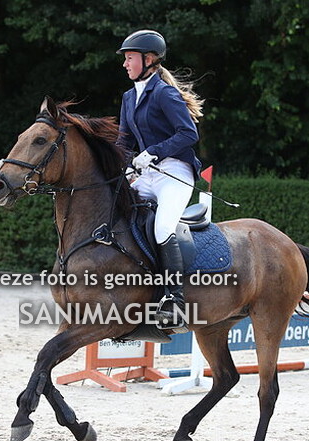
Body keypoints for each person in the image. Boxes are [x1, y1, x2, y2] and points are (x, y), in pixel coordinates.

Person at [116, 29, 204, 329]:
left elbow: (189, 134)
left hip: (175, 173)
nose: (125, 64)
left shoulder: (165, 94)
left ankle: (174, 299)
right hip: (146, 173)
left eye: (130, 58)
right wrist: (125, 165)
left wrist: (153, 152)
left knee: (164, 225)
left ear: (149, 59)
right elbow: (124, 142)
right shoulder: (129, 97)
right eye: (126, 59)